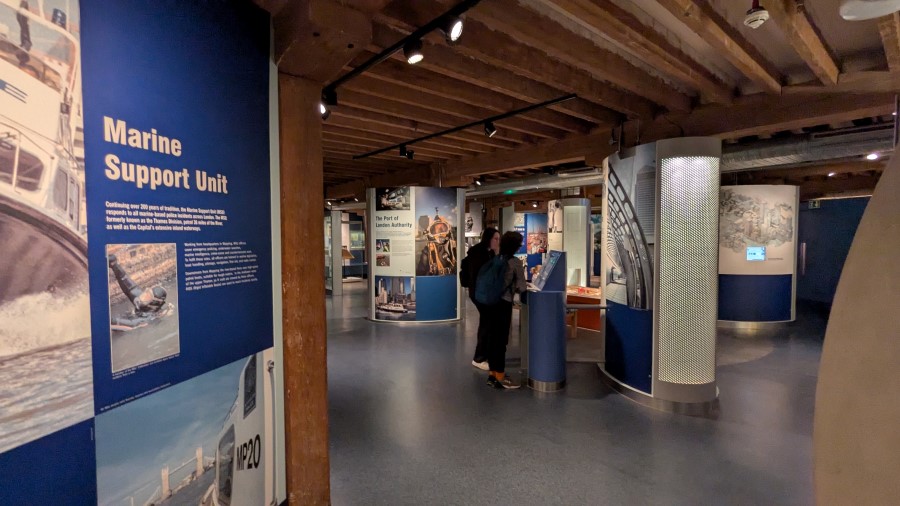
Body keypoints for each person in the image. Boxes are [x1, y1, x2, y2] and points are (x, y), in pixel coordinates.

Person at [485, 231, 527, 390]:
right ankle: (501, 377)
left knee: (493, 339)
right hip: (503, 304)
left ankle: (493, 375)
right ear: (516, 246)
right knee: (501, 341)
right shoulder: (515, 262)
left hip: (490, 303)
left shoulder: (496, 258)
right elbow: (522, 287)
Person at [459, 227, 499, 370]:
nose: (497, 241)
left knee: (487, 323)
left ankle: (483, 355)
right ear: (489, 238)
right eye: (496, 238)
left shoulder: (485, 252)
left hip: (482, 293)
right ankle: (479, 358)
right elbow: (482, 275)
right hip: (480, 294)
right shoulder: (479, 253)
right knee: (486, 323)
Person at [108, 254, 172, 331]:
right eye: (146, 292)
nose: (143, 296)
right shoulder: (142, 301)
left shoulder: (145, 320)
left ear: (154, 302)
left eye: (148, 296)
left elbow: (114, 322)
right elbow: (127, 283)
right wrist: (114, 264)